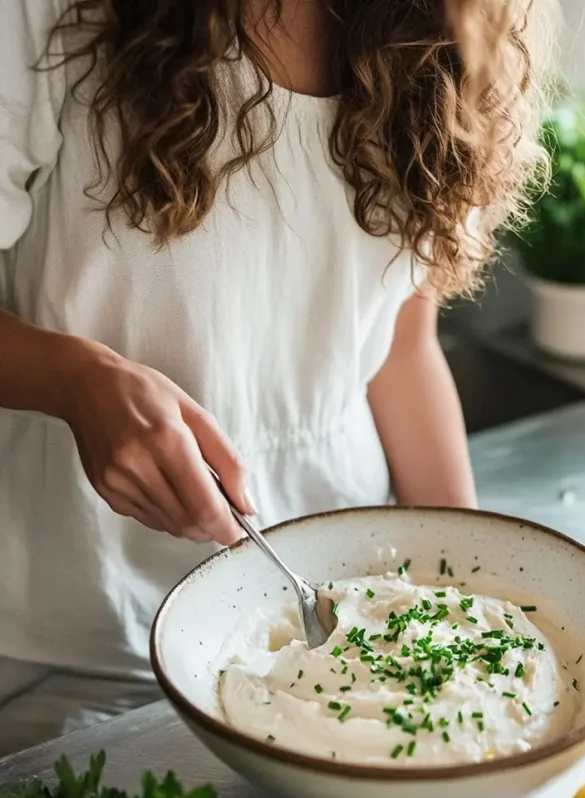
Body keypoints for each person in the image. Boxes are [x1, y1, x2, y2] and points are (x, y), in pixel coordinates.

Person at [0, 0, 552, 754]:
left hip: (333, 615)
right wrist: (77, 381)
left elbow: (398, 348)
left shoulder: (449, 32)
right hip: (72, 635)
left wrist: (485, 597)